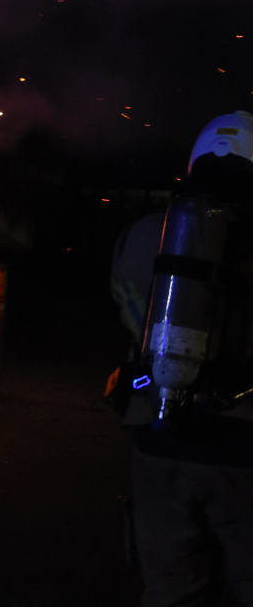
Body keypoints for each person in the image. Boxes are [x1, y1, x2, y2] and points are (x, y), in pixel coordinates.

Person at [109, 110, 253, 607]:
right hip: (242, 445)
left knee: (171, 588)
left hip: (157, 437)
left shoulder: (144, 234)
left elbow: (131, 316)